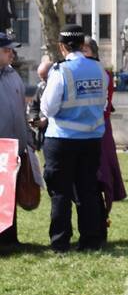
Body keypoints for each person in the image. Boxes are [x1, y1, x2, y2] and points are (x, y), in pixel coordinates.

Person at [40, 24, 108, 253]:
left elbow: (49, 108)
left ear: (62, 47)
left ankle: (60, 241)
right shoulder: (99, 70)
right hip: (91, 139)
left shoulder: (61, 71)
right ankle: (91, 240)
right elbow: (103, 103)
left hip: (61, 138)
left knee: (60, 192)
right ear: (82, 44)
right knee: (88, 191)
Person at [0, 29, 39, 255]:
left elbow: (20, 111)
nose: (11, 54)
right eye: (6, 50)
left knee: (11, 195)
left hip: (14, 148)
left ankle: (10, 238)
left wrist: (27, 141)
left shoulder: (13, 75)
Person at [83, 37, 127, 219]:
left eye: (85, 51)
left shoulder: (103, 74)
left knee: (102, 172)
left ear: (93, 52)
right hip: (85, 130)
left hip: (99, 130)